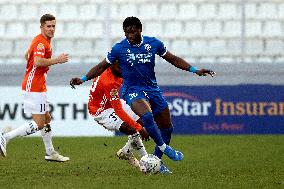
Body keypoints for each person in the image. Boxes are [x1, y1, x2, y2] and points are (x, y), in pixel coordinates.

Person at [70, 16, 215, 173]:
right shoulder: (118, 50)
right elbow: (101, 66)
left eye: (132, 31)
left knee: (167, 128)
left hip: (152, 89)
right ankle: (165, 148)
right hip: (131, 91)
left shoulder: (153, 43)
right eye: (126, 32)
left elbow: (172, 59)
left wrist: (194, 70)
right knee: (145, 118)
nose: (129, 35)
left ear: (140, 29)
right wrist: (83, 79)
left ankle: (155, 162)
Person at [0, 14, 69, 162]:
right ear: (42, 27)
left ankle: (50, 152)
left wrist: (33, 64)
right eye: (48, 26)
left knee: (47, 118)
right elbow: (37, 61)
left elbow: (27, 56)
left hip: (39, 85)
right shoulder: (40, 42)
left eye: (53, 26)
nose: (51, 29)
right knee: (39, 123)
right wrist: (58, 59)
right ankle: (5, 137)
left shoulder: (43, 41)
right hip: (34, 86)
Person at [79, 60, 149, 167]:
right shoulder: (109, 82)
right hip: (101, 110)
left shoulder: (117, 71)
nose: (123, 70)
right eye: (120, 68)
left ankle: (126, 151)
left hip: (111, 103)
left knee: (145, 115)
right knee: (131, 129)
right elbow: (119, 111)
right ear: (112, 65)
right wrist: (140, 128)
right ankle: (146, 161)